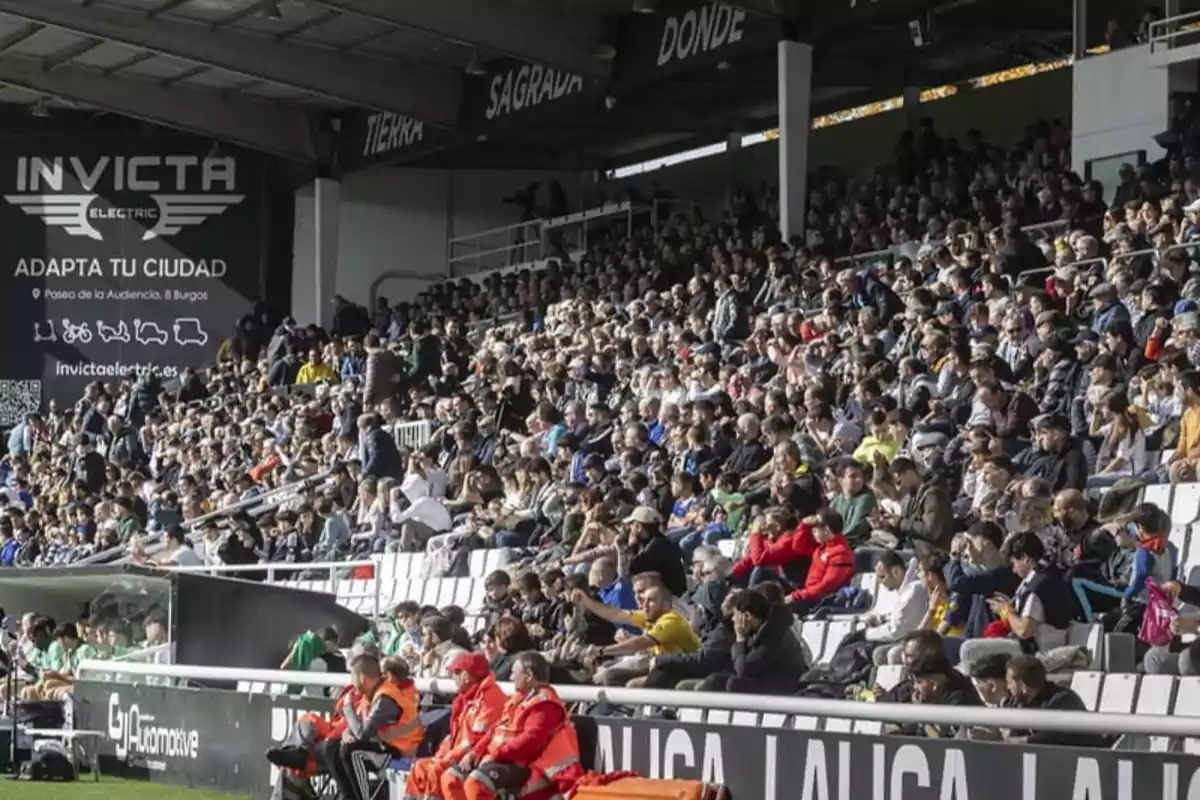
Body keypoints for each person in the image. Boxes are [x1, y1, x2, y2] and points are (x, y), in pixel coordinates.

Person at [441, 652, 583, 800]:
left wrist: (495, 754)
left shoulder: (545, 705)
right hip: (503, 758)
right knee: (451, 778)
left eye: (514, 673)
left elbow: (531, 741)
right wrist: (475, 753)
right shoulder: (518, 700)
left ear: (528, 675)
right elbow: (495, 730)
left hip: (525, 765)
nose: (511, 678)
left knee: (476, 782)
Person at [321, 653, 424, 800]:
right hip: (383, 744)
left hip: (400, 749)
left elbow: (363, 733)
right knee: (332, 746)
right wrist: (346, 733)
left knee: (352, 751)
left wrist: (348, 708)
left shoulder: (385, 698)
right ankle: (348, 797)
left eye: (353, 676)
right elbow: (360, 722)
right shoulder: (371, 693)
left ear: (362, 678)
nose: (352, 681)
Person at [405, 652, 507, 800]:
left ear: (468, 676)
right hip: (458, 754)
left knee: (439, 770)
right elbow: (454, 736)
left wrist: (446, 758)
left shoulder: (490, 699)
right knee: (419, 767)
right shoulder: (467, 698)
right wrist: (441, 756)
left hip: (477, 757)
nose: (453, 676)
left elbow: (475, 740)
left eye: (457, 672)